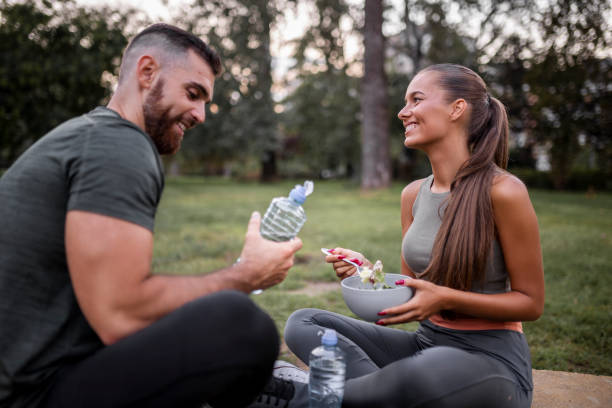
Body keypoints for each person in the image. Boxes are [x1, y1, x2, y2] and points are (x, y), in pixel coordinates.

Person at [0, 23, 303, 408]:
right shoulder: (119, 144)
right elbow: (120, 314)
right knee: (241, 326)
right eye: (193, 94)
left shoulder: (88, 133)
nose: (201, 115)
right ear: (147, 72)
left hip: (38, 373)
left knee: (201, 314)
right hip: (33, 394)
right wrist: (244, 276)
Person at [259, 63, 545, 408]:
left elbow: (531, 303)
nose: (402, 112)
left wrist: (446, 298)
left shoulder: (504, 191)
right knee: (304, 322)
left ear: (457, 109)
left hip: (490, 361)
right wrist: (368, 274)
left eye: (416, 99)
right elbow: (410, 294)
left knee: (428, 370)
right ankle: (369, 396)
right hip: (426, 345)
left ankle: (301, 395)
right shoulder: (412, 195)